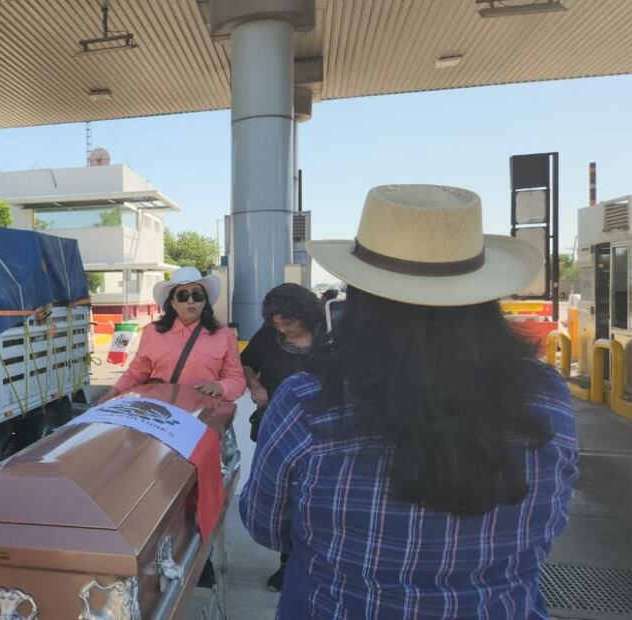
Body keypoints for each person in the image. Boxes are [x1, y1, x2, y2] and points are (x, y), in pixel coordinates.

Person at [240, 185, 579, 619]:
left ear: (359, 297)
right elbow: (549, 523)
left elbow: (265, 526)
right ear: (482, 297)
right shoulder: (546, 395)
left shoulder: (308, 401)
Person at [240, 282, 323, 591]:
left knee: (311, 499)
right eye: (275, 321)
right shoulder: (269, 337)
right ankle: (287, 566)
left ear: (304, 313)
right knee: (285, 496)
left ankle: (310, 564)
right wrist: (255, 385)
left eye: (286, 321)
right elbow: (247, 361)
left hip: (320, 432)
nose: (281, 328)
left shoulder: (330, 338)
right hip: (276, 427)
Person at [99, 266, 245, 403]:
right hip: (161, 415)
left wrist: (220, 387)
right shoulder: (152, 332)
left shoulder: (225, 336)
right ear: (173, 303)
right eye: (183, 295)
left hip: (203, 415)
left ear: (205, 301)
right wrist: (114, 391)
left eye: (197, 294)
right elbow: (136, 372)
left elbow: (237, 380)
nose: (190, 300)